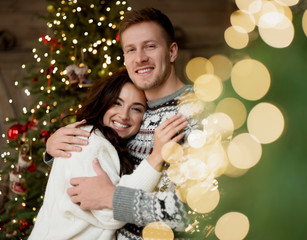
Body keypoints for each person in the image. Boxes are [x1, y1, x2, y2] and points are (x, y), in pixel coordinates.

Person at [45, 8, 205, 239]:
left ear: (172, 52)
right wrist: (54, 149)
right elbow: (104, 166)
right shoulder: (132, 112)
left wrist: (112, 198)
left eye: (150, 46)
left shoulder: (198, 112)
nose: (140, 58)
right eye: (131, 49)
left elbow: (199, 209)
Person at [31, 69, 187, 239]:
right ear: (103, 103)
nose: (124, 115)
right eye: (117, 103)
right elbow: (112, 213)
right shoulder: (89, 142)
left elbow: (110, 194)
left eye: (136, 109)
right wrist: (156, 157)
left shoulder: (111, 143)